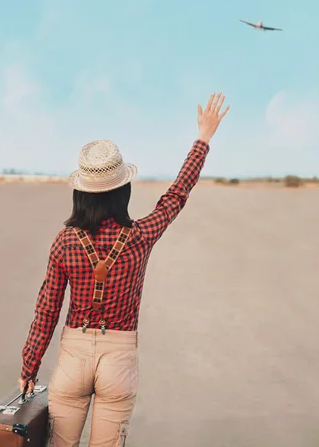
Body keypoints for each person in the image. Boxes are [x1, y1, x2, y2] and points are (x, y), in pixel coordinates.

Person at [18, 92, 230, 446]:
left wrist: (29, 367)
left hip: (72, 358)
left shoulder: (64, 242)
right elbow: (176, 195)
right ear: (122, 190)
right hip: (119, 359)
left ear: (80, 193)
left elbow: (47, 311)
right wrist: (203, 139)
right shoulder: (140, 236)